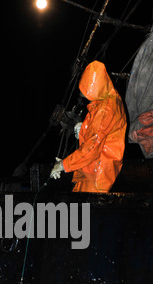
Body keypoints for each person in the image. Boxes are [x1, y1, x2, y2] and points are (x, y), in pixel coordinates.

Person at [50, 61, 127, 192]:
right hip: (90, 171)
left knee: (86, 210)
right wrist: (84, 127)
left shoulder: (106, 109)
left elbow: (92, 147)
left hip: (97, 176)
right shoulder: (108, 100)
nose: (87, 98)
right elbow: (100, 131)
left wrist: (63, 165)